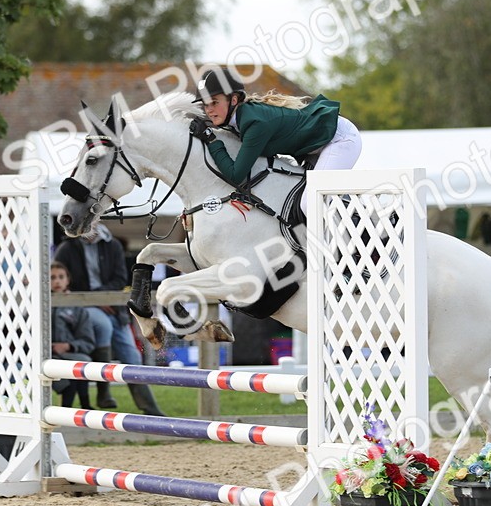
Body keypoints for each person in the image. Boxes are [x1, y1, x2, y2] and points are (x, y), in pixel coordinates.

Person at [191, 69, 362, 210]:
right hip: (320, 143)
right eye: (205, 105)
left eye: (214, 102)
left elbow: (236, 176)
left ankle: (361, 242)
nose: (209, 110)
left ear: (234, 100)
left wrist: (211, 141)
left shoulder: (254, 123)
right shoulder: (241, 118)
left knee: (310, 204)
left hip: (339, 139)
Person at [53, 224, 167, 416]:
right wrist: (96, 299)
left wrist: (102, 298)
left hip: (112, 306)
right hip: (81, 306)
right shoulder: (68, 248)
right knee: (103, 326)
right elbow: (63, 279)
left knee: (131, 355)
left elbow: (121, 278)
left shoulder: (112, 245)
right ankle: (103, 391)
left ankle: (149, 408)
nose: (90, 224)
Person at [49, 262, 93, 409]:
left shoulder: (77, 308)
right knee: (68, 376)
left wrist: (68, 346)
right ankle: (66, 410)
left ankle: (85, 404)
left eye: (61, 277)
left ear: (67, 280)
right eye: (52, 277)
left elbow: (88, 342)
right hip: (45, 355)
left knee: (82, 362)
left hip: (69, 354)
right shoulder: (37, 304)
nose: (57, 281)